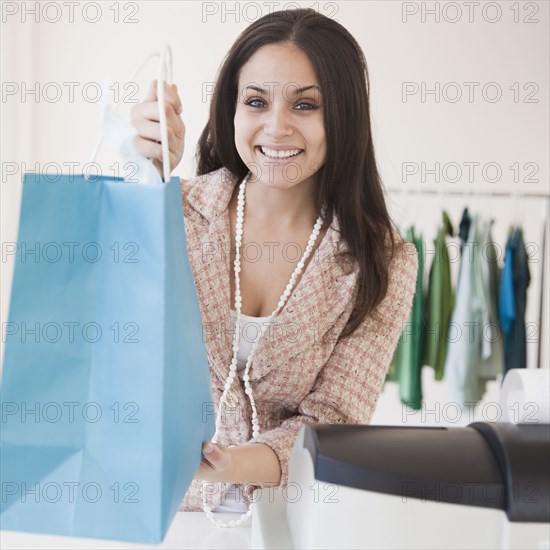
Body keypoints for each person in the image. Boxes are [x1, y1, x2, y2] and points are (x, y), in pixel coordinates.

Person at [130, 8, 418, 513]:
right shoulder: (172, 210)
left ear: (343, 117)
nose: (276, 127)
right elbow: (116, 335)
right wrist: (139, 177)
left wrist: (231, 463)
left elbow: (334, 420)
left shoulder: (381, 261)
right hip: (153, 509)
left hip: (287, 517)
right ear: (233, 110)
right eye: (256, 101)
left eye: (305, 105)